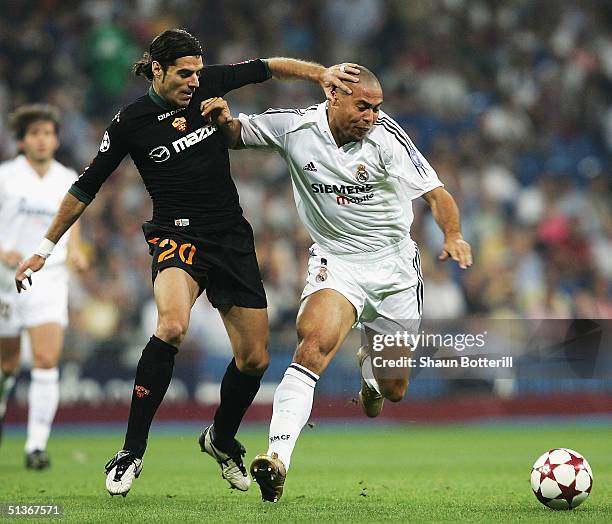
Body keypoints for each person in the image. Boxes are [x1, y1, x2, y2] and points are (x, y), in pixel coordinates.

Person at [15, 29, 359, 496]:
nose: (195, 81)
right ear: (157, 70)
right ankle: (131, 451)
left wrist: (321, 73)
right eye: (184, 73)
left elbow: (268, 66)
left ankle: (220, 439)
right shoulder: (131, 122)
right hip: (176, 235)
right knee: (172, 326)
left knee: (254, 359)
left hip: (230, 236)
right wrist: (45, 247)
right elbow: (85, 186)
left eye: (198, 72)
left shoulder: (211, 84)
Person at [200, 64, 473, 502]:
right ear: (335, 98)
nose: (371, 116)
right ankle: (277, 459)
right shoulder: (296, 128)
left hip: (394, 271)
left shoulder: (388, 138)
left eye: (376, 107)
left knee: (393, 390)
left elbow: (436, 195)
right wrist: (224, 120)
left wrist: (454, 234)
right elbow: (237, 135)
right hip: (338, 262)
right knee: (312, 347)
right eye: (363, 106)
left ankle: (370, 376)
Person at [0, 104, 88, 469]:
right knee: (7, 364)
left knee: (47, 360)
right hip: (5, 280)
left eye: (48, 133)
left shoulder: (66, 177)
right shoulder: (5, 176)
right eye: (34, 134)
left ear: (55, 139)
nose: (41, 140)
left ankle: (36, 446)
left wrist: (78, 252)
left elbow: (73, 217)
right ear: (21, 141)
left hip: (50, 279)